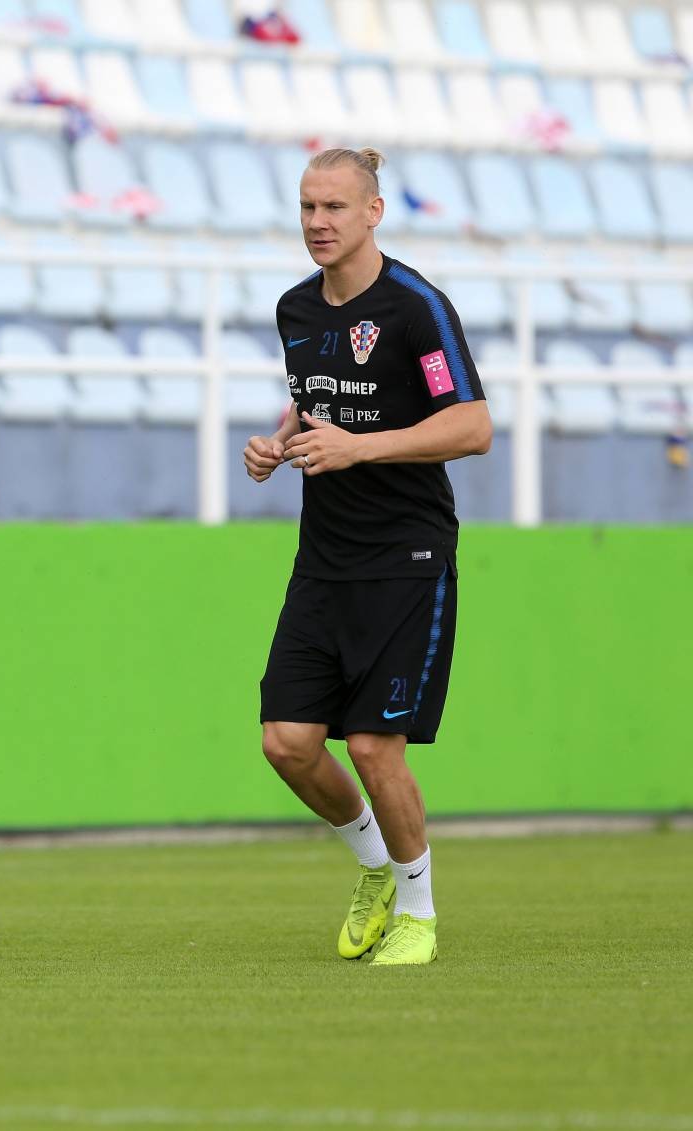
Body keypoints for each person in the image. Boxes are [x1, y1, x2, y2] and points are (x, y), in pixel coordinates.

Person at [244, 147, 492, 966]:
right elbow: (316, 393)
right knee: (286, 740)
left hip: (406, 555)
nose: (318, 223)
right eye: (308, 207)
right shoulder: (295, 310)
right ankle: (375, 867)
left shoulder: (416, 307)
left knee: (373, 745)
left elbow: (472, 427)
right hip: (324, 558)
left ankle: (418, 915)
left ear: (374, 213)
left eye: (335, 208)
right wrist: (279, 442)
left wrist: (361, 449)